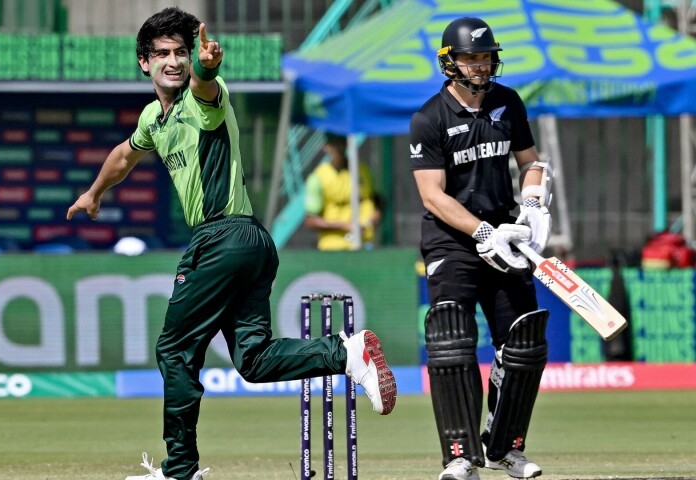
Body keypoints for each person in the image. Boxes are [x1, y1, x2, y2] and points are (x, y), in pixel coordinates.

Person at [66, 8, 397, 480]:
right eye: (163, 54)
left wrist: (206, 65)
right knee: (254, 360)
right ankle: (347, 353)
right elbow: (124, 155)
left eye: (181, 52)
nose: (174, 61)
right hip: (249, 242)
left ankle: (180, 470)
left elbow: (204, 83)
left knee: (174, 350)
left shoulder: (206, 98)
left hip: (222, 235)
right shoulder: (152, 119)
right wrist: (95, 193)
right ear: (144, 62)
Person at [409, 17, 552, 480]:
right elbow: (432, 195)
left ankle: (506, 447)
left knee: (525, 342)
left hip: (507, 239)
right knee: (452, 340)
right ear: (450, 63)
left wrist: (530, 210)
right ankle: (459, 455)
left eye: (486, 56)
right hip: (453, 242)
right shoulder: (429, 118)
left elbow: (531, 164)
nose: (481, 64)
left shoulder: (508, 103)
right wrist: (482, 233)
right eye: (471, 57)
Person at [304, 133, 382, 250]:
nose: (339, 148)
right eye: (334, 144)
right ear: (326, 147)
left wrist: (376, 215)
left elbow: (378, 200)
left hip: (365, 243)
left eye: (341, 143)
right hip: (334, 247)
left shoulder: (362, 169)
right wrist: (343, 225)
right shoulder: (318, 177)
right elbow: (311, 220)